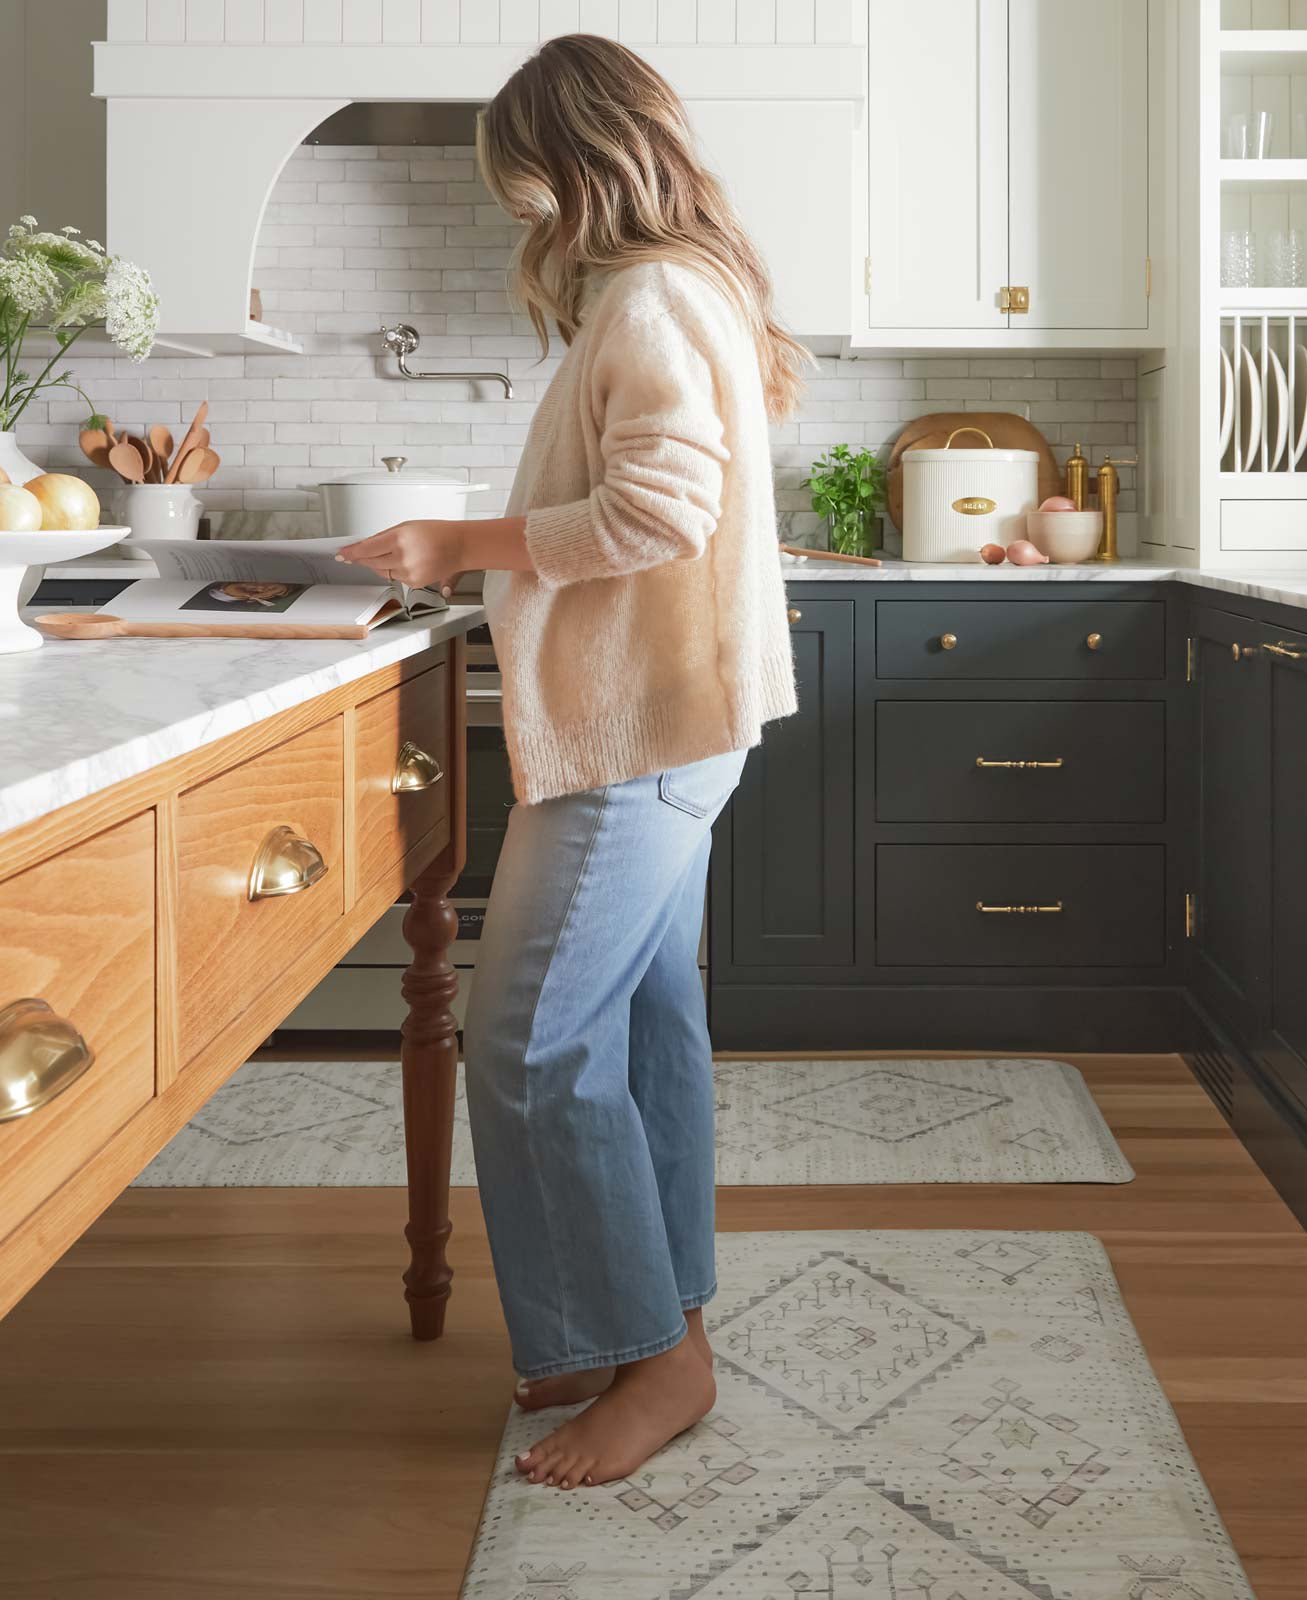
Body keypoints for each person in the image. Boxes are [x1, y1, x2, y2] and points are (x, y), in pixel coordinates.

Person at [337, 33, 804, 1491]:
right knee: (643, 1034)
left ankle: (652, 1361)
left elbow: (658, 512)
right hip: (679, 725)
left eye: (521, 180)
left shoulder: (653, 297)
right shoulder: (686, 286)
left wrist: (455, 544)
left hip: (634, 736)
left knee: (531, 1041)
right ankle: (633, 1329)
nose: (518, 209)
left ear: (570, 157)